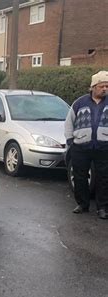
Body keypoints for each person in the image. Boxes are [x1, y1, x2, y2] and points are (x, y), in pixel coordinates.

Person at [65, 70, 108, 219]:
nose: (104, 89)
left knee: (104, 178)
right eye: (102, 86)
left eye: (107, 86)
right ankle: (82, 204)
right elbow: (69, 122)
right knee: (80, 177)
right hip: (81, 147)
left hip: (104, 147)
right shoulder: (79, 102)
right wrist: (70, 141)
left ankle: (102, 207)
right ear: (93, 87)